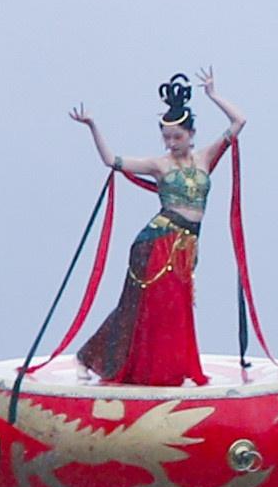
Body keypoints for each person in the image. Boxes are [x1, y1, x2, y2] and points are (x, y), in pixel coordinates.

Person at [62, 72, 239, 387]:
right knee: (143, 308)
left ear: (191, 134)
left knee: (173, 310)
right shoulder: (160, 165)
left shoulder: (205, 158)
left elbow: (239, 122)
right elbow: (111, 160)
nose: (171, 144)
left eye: (177, 137)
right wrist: (93, 126)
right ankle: (88, 356)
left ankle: (167, 368)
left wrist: (213, 95)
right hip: (157, 241)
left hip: (185, 246)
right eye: (167, 138)